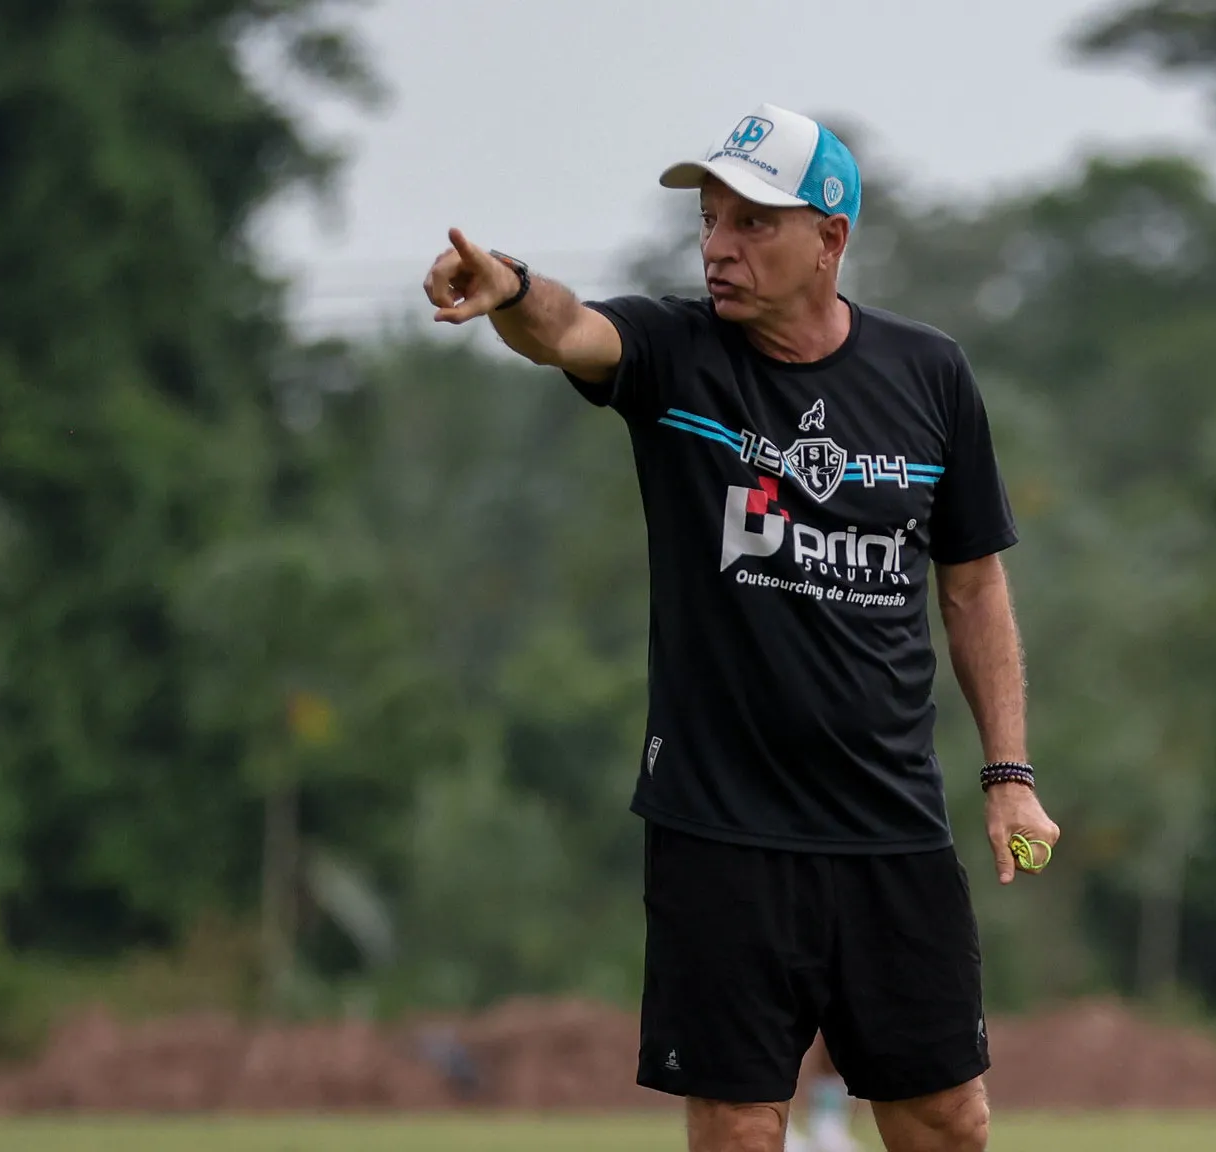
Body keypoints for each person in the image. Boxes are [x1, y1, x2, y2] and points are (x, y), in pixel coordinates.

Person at [422, 102, 1061, 1152]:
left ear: (831, 238)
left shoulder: (930, 375)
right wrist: (513, 290)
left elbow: (973, 586)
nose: (718, 246)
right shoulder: (677, 356)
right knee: (737, 1130)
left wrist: (1007, 776)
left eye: (753, 223)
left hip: (888, 825)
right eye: (709, 220)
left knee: (948, 1120)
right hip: (720, 828)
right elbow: (573, 332)